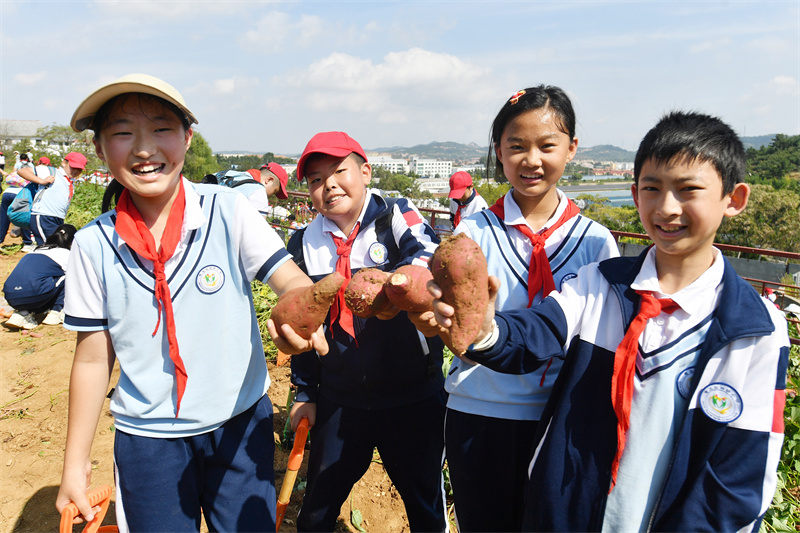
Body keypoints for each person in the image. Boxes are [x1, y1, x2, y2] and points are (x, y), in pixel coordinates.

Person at [429, 111, 789, 532]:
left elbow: (737, 480)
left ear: (734, 198)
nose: (668, 208)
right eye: (653, 189)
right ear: (636, 195)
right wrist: (487, 329)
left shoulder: (754, 330)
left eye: (688, 189)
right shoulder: (601, 286)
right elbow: (537, 333)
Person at [55, 73, 328, 531]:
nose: (144, 148)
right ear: (101, 149)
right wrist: (74, 463)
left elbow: (289, 279)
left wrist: (302, 311)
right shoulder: (93, 244)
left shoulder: (227, 210)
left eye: (161, 129)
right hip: (149, 440)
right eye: (123, 133)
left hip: (240, 424)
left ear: (187, 138)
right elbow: (92, 358)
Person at [428, 86, 620, 532]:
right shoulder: (472, 232)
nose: (531, 160)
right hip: (482, 410)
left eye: (547, 145)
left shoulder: (596, 241)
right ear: (499, 151)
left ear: (572, 148)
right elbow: (451, 323)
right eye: (516, 147)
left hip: (562, 421)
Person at [288, 131, 447, 532]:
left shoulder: (395, 215)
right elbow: (304, 323)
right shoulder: (303, 244)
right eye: (316, 180)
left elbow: (428, 254)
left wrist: (397, 284)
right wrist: (305, 392)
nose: (329, 186)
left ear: (365, 171)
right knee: (318, 507)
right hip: (341, 399)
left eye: (339, 171)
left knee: (425, 504)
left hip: (412, 396)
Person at [3, 224, 77, 330]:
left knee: (40, 283)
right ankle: (56, 312)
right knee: (69, 277)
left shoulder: (35, 250)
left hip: (11, 296)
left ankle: (22, 313)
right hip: (35, 292)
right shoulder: (65, 254)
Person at [18, 152, 86, 246]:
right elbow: (22, 171)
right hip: (44, 216)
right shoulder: (51, 171)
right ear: (64, 163)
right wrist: (42, 181)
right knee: (50, 248)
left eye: (79, 169)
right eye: (73, 167)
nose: (76, 171)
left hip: (58, 219)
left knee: (57, 248)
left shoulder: (69, 181)